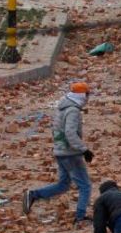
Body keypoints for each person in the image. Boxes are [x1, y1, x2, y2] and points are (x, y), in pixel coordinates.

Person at [24, 82, 93, 224]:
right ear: (81, 95)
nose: (87, 98)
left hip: (60, 152)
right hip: (70, 153)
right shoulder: (73, 110)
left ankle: (33, 195)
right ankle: (80, 217)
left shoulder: (62, 107)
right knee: (85, 186)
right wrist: (84, 149)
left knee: (64, 184)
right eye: (86, 94)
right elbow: (70, 133)